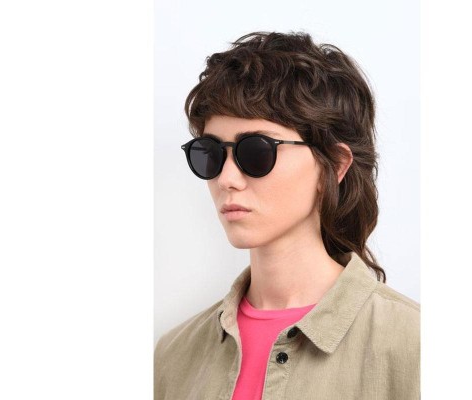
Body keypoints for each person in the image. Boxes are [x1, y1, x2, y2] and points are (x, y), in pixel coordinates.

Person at [155, 31, 420, 400]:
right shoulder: (172, 358)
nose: (227, 179)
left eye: (256, 152)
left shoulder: (413, 347)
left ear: (335, 165)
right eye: (210, 154)